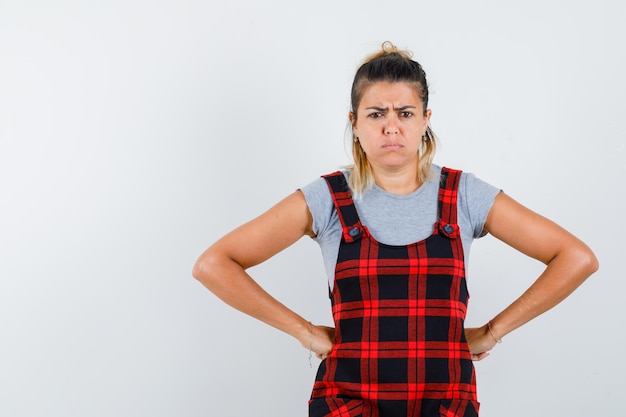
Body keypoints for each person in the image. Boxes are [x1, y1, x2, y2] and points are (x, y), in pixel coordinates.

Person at [192, 41, 599, 417]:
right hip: (347, 404)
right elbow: (214, 264)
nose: (391, 127)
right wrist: (305, 332)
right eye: (376, 114)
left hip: (444, 406)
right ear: (354, 123)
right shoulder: (326, 199)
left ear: (425, 120)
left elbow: (576, 258)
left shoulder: (465, 196)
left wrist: (493, 332)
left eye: (405, 113)